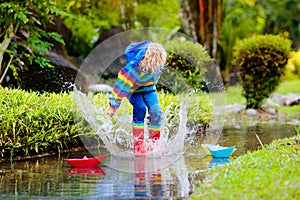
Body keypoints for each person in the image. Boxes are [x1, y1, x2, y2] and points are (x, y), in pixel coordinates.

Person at [107, 40, 167, 157]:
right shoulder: (130, 71)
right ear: (144, 60)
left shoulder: (157, 67)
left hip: (149, 89)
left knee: (156, 112)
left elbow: (153, 79)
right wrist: (112, 107)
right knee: (140, 108)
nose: (156, 69)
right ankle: (138, 145)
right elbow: (119, 90)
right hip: (133, 91)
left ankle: (154, 144)